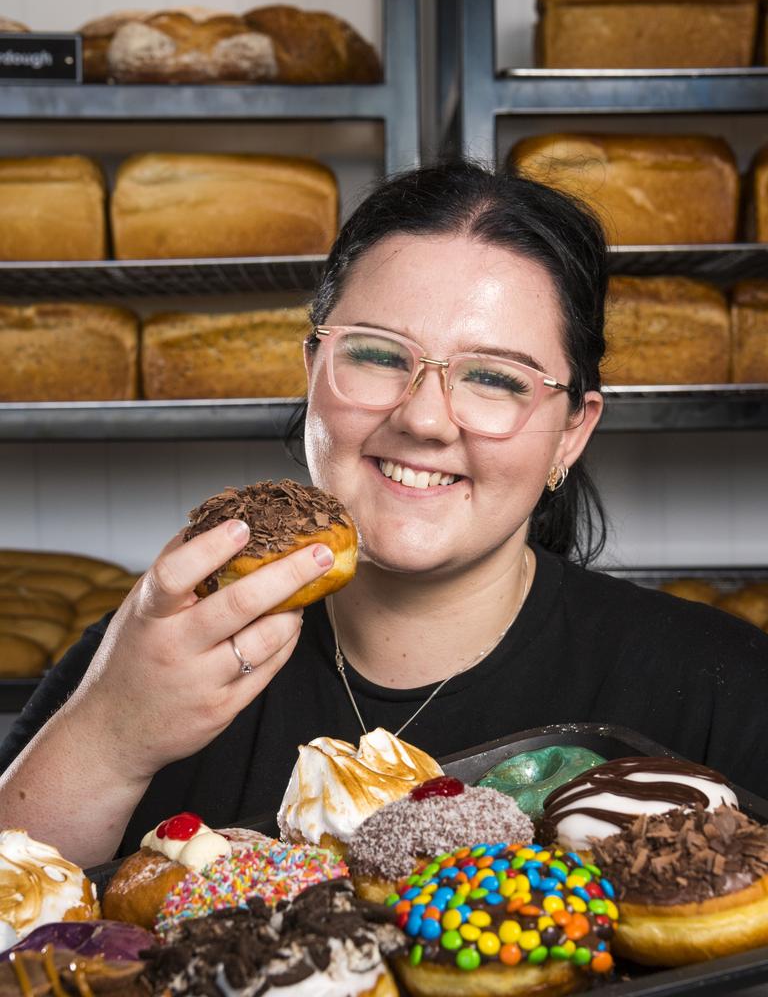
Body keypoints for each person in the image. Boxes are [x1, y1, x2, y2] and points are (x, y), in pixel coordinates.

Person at [1, 161, 766, 868]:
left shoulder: (722, 687)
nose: (426, 420)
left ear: (572, 429)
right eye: (376, 354)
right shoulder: (156, 650)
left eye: (494, 377)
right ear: (312, 373)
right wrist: (109, 736)